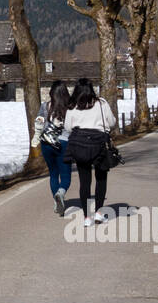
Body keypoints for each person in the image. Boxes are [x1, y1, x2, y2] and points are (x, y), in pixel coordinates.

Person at [64, 78, 117, 227]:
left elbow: (68, 127)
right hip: (99, 143)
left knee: (84, 181)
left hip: (80, 144)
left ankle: (87, 216)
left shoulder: (72, 106)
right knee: (101, 178)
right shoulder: (101, 103)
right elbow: (111, 122)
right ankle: (99, 213)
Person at [30, 80, 72, 216]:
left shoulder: (45, 106)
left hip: (46, 143)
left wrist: (36, 137)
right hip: (64, 143)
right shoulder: (71, 108)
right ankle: (61, 193)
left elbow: (39, 123)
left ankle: (56, 200)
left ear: (51, 93)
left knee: (53, 174)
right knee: (65, 176)